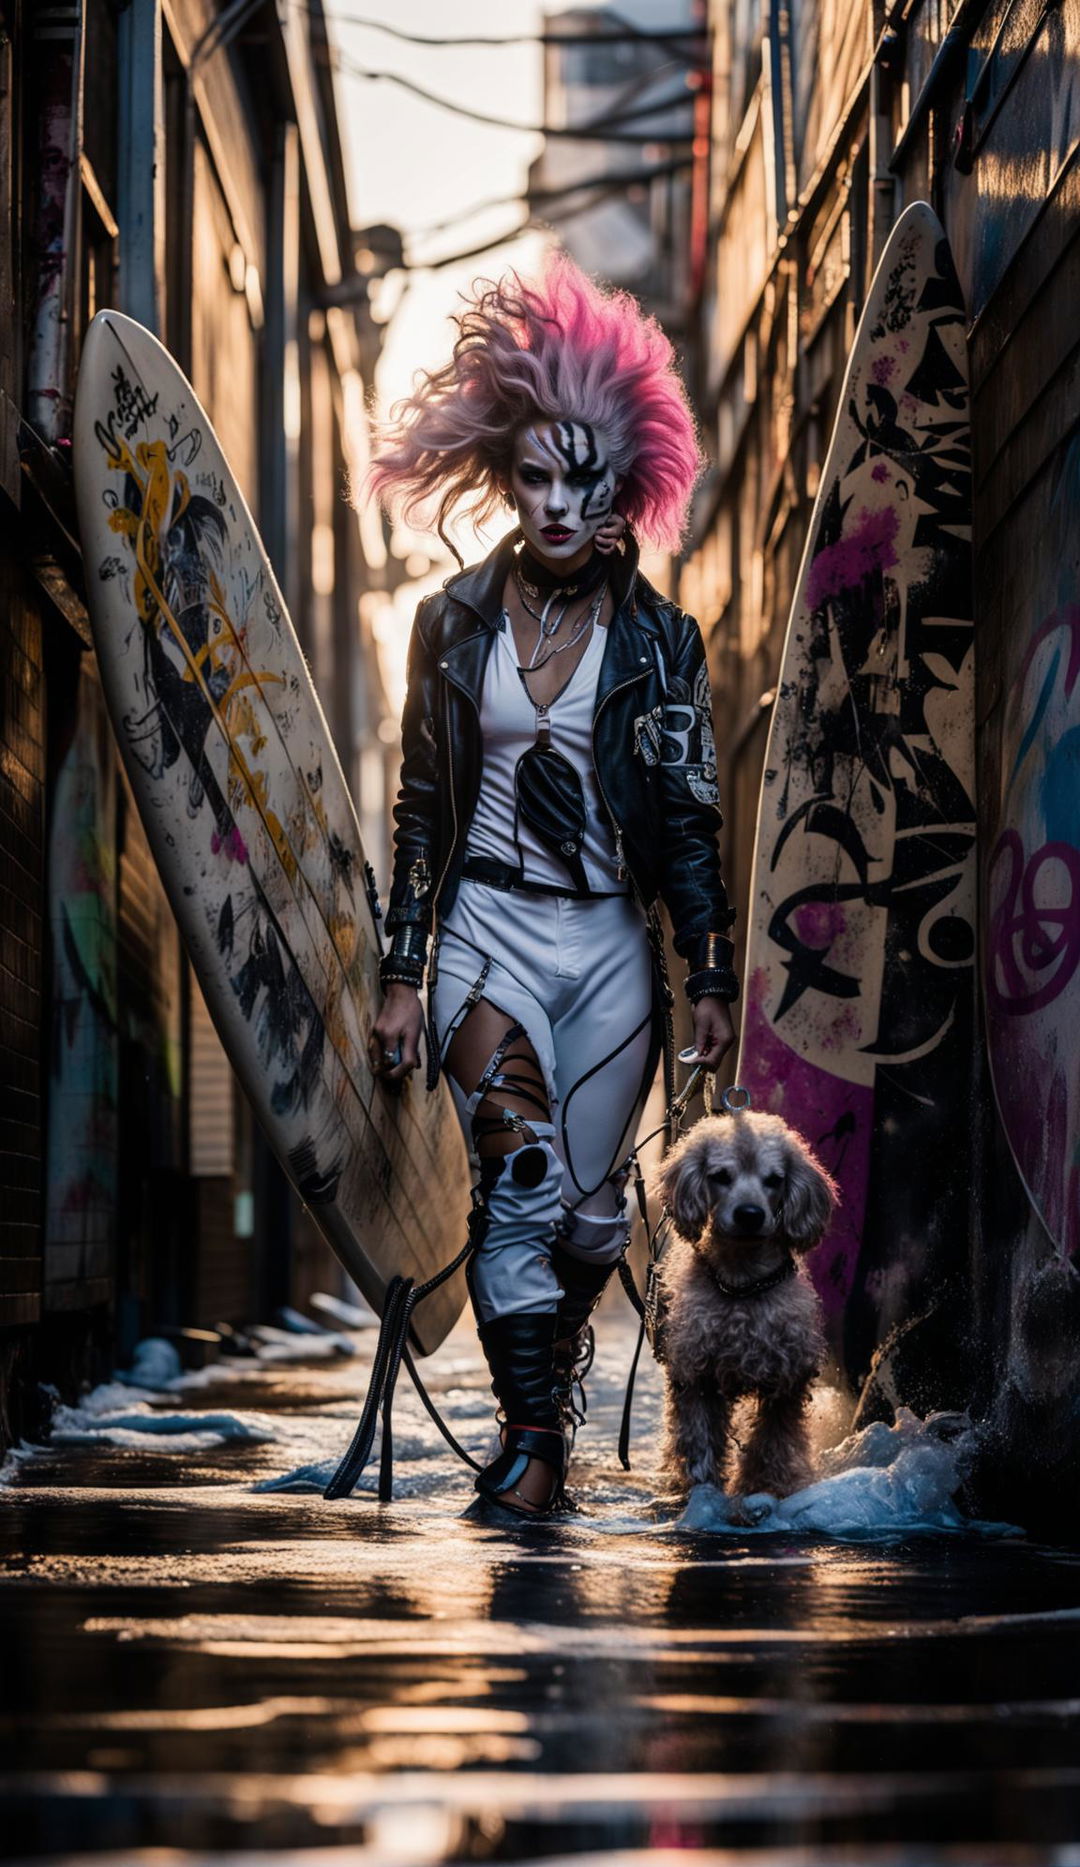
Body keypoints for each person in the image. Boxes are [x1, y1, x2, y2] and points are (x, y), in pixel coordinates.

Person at [367, 254, 738, 1516]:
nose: (559, 501)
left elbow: (690, 823)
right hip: (485, 927)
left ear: (624, 477)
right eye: (535, 473)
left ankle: (547, 1388)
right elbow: (421, 804)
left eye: (585, 477)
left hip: (609, 954)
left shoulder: (663, 642)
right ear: (505, 471)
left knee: (584, 1222)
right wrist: (403, 971)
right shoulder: (449, 624)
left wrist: (714, 977)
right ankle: (530, 1452)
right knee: (515, 1179)